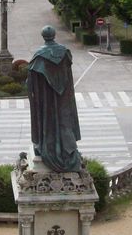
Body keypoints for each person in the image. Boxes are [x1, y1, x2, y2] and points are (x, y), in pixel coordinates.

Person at [27, 25, 82, 173]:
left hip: (46, 100)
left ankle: (48, 147)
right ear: (53, 35)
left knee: (48, 122)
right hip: (63, 97)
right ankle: (67, 148)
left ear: (43, 36)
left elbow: (31, 82)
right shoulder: (65, 53)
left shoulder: (39, 56)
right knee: (64, 121)